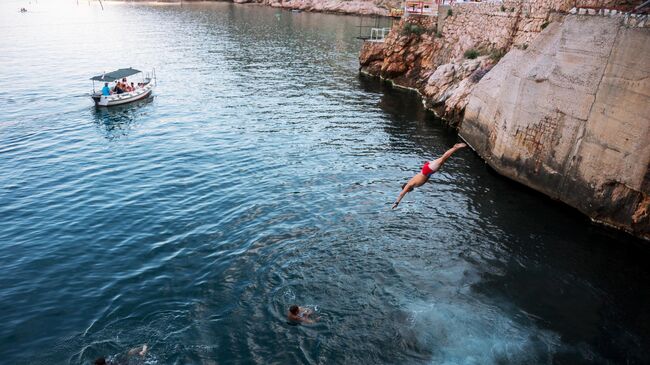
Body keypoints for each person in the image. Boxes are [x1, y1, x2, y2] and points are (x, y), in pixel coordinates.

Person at [392, 143, 467, 209]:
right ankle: (454, 147)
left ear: (406, 188)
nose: (407, 191)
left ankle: (456, 147)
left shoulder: (409, 185)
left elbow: (402, 194)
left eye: (406, 190)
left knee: (443, 159)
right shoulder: (412, 183)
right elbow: (421, 178)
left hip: (427, 170)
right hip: (427, 170)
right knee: (443, 159)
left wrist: (397, 203)